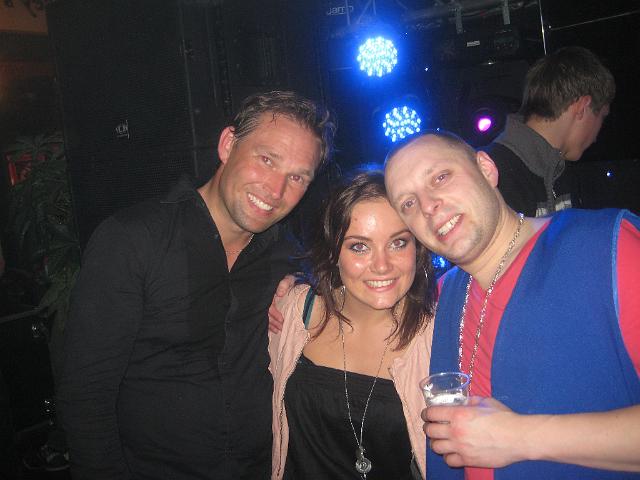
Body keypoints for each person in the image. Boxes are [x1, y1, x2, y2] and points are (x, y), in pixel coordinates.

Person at [57, 90, 335, 480]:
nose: (276, 190)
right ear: (228, 145)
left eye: (297, 177)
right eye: (267, 159)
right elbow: (86, 394)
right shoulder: (133, 240)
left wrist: (301, 283)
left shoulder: (285, 255)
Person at [384, 131, 640, 479]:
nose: (428, 206)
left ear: (486, 169)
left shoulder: (607, 249)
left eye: (440, 177)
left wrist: (519, 437)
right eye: (408, 204)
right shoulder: (442, 297)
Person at [268, 171, 437, 479]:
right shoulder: (293, 311)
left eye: (398, 242)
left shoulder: (438, 334)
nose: (382, 265)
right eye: (359, 246)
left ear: (418, 247)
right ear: (333, 253)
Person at [484, 46, 615, 217]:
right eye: (601, 117)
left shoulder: (561, 170)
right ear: (582, 108)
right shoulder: (492, 174)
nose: (596, 137)